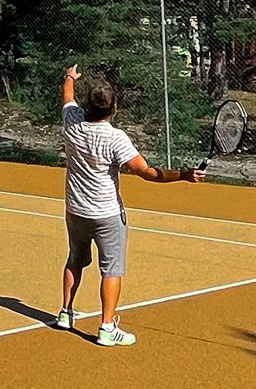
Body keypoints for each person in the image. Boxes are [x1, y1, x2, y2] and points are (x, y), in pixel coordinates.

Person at [56, 64, 203, 346]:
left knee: (75, 259)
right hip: (107, 213)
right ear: (115, 108)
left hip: (75, 210)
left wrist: (70, 77)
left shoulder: (71, 121)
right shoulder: (115, 138)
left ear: (87, 105)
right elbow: (147, 172)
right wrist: (183, 175)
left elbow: (67, 95)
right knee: (111, 269)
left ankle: (65, 312)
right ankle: (107, 327)